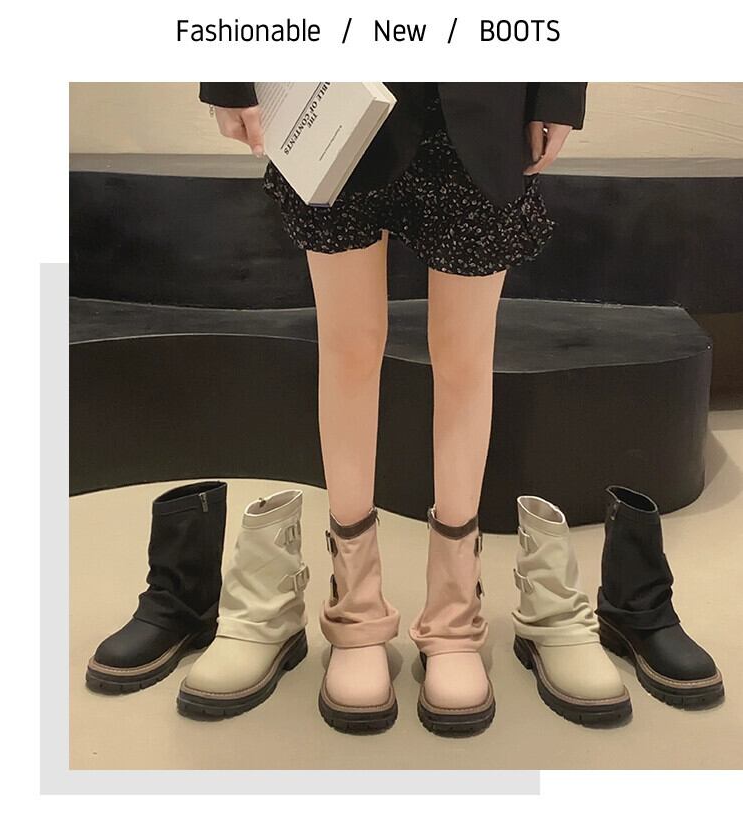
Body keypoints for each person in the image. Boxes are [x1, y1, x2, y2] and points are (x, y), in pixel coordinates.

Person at [197, 81, 587, 735]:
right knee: (347, 347)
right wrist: (232, 76)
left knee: (465, 356)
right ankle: (356, 608)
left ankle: (454, 616)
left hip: (482, 90)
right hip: (333, 85)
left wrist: (559, 88)